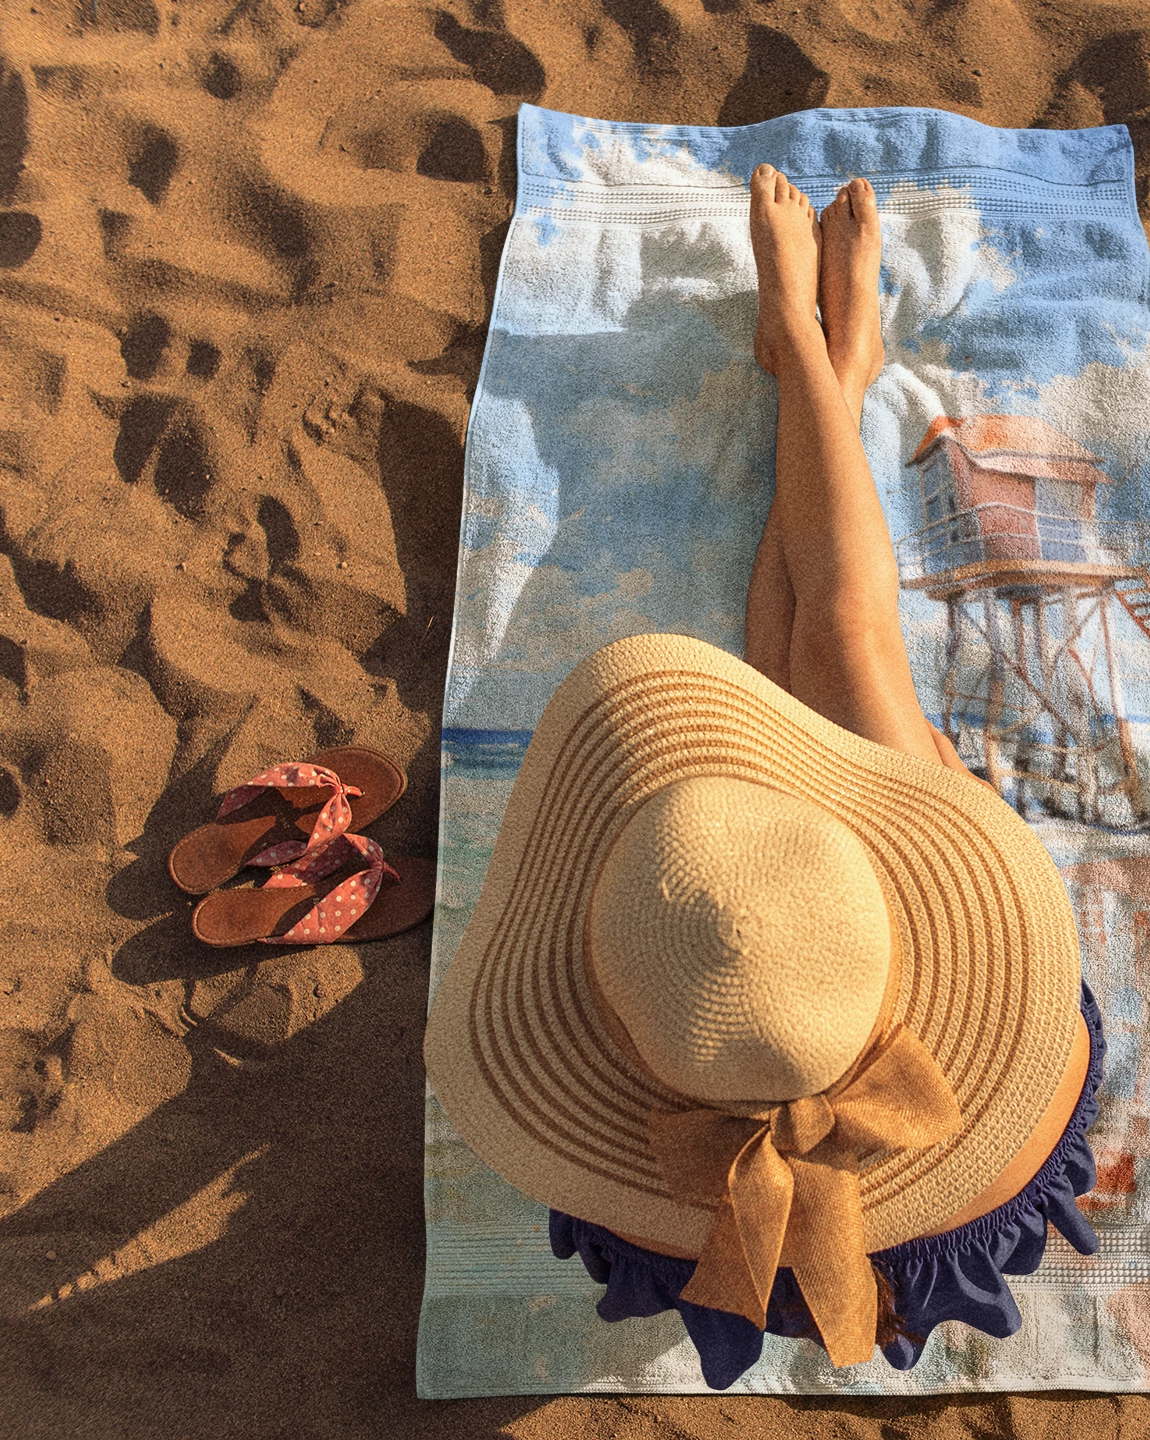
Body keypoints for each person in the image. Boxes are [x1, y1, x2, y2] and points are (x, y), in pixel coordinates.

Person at [424, 168, 1103, 1390]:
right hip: (923, 1078)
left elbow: (696, 1022)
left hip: (785, 1028)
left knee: (786, 679)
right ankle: (815, 363)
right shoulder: (1017, 1090)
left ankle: (813, 361)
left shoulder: (641, 1190)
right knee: (840, 644)